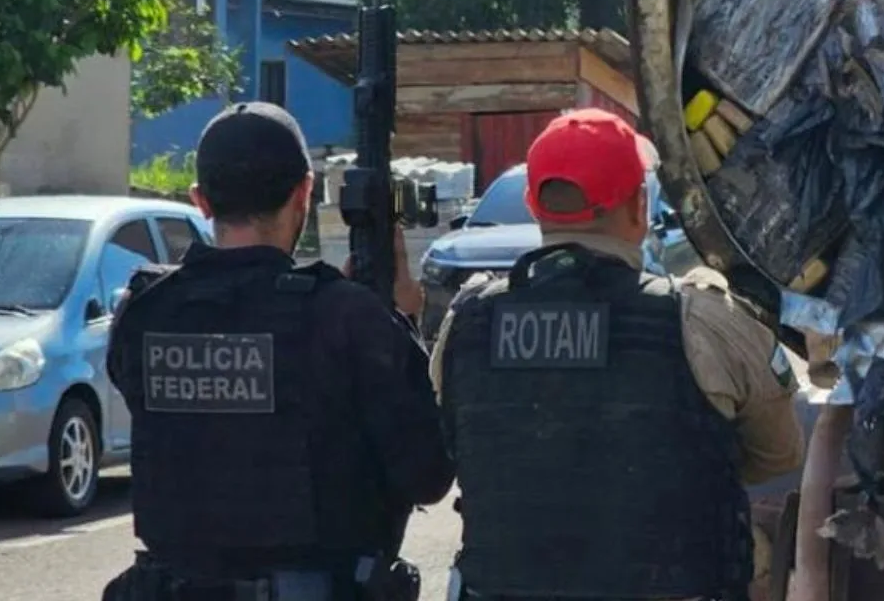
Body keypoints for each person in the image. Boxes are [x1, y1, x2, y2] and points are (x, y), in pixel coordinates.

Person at [431, 108, 804, 601]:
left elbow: (454, 450)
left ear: (534, 205)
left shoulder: (468, 323)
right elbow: (778, 454)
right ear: (639, 207)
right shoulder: (703, 321)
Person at [104, 103, 455, 601]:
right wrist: (397, 321)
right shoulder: (345, 317)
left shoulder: (145, 313)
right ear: (304, 194)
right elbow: (428, 477)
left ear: (201, 201)